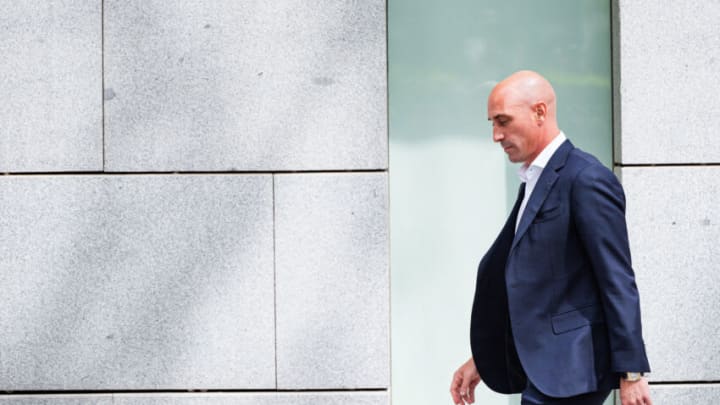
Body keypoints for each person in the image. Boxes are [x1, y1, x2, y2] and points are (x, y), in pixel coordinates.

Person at [449, 71, 652, 405]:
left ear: (540, 112)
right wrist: (485, 360)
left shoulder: (585, 178)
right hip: (544, 369)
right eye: (492, 123)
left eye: (503, 121)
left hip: (571, 372)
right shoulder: (534, 179)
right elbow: (536, 287)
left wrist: (631, 373)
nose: (496, 135)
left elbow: (617, 278)